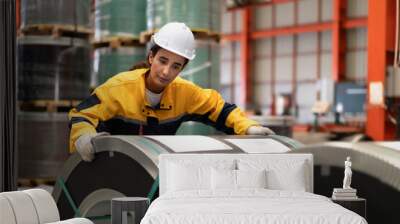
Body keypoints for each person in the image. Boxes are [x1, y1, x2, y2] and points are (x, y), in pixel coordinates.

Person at [69, 22, 274, 162]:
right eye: (163, 61)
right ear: (151, 57)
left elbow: (221, 109)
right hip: (108, 166)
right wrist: (84, 136)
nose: (167, 72)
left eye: (176, 66)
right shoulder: (119, 88)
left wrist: (249, 128)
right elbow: (83, 114)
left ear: (182, 69)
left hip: (153, 167)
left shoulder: (185, 94)